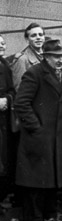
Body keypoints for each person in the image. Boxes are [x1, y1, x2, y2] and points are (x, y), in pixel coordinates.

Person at [14, 38, 62, 221]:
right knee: (35, 180)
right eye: (56, 57)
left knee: (49, 177)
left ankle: (48, 214)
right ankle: (34, 218)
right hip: (39, 136)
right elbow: (21, 103)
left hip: (55, 136)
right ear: (46, 57)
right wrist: (36, 127)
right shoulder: (35, 73)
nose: (60, 60)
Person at [0, 35, 16, 205]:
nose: (2, 46)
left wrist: (7, 100)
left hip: (3, 120)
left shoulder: (5, 65)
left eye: (3, 43)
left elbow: (12, 90)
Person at [11, 23, 46, 90]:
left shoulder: (48, 57)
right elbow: (20, 89)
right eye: (33, 35)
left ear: (44, 37)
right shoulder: (22, 60)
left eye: (40, 35)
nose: (38, 37)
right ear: (27, 40)